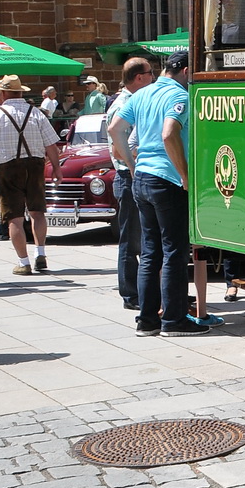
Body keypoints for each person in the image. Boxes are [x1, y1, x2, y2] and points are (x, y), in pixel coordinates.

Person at [110, 51, 204, 336]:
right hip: (167, 179)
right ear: (186, 72)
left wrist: (131, 163)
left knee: (150, 252)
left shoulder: (141, 94)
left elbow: (115, 129)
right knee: (174, 251)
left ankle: (147, 319)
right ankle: (174, 320)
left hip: (142, 178)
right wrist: (185, 174)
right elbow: (168, 133)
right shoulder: (180, 96)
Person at [0, 74, 62, 275]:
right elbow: (51, 144)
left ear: (4, 93)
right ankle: (40, 253)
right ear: (21, 92)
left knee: (13, 216)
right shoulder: (36, 113)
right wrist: (57, 168)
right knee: (37, 211)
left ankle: (23, 262)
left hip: (7, 166)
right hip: (35, 164)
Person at [105, 57, 154, 310]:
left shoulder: (133, 101)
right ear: (139, 77)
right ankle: (131, 294)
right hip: (128, 176)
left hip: (133, 175)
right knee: (131, 239)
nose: (153, 77)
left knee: (143, 238)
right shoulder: (124, 104)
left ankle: (145, 292)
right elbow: (117, 146)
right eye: (150, 73)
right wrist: (135, 167)